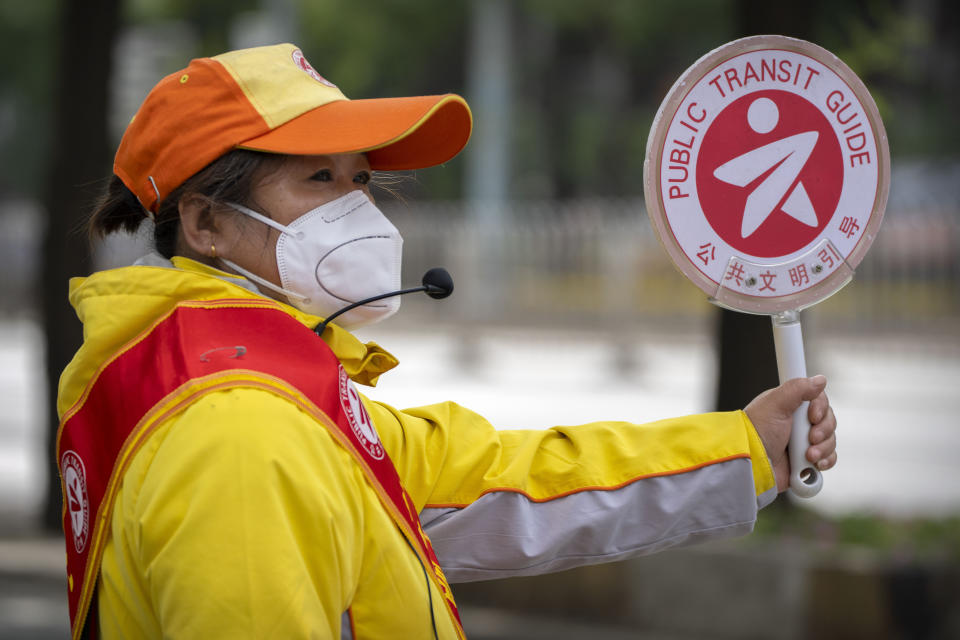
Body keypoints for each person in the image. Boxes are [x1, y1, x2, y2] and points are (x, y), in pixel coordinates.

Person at [56, 43, 837, 640]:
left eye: (359, 178)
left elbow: (502, 479)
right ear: (205, 223)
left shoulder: (239, 385)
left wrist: (746, 446)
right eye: (317, 180)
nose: (357, 207)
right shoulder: (238, 432)